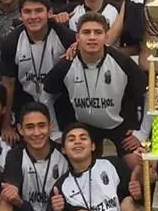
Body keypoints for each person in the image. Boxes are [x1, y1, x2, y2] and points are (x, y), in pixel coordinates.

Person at [45, 12, 145, 172]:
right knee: (76, 165)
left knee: (138, 165)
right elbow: (46, 96)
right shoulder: (66, 64)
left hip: (119, 124)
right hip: (83, 126)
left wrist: (142, 133)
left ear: (106, 37)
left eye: (98, 32)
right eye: (86, 32)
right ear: (77, 37)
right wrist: (55, 131)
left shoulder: (122, 62)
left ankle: (131, 197)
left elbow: (151, 95)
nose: (92, 37)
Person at [0, 0, 77, 142]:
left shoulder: (65, 36)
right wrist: (6, 124)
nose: (33, 17)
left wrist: (79, 45)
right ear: (20, 15)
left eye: (38, 11)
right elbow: (8, 84)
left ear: (49, 13)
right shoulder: (11, 42)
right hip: (27, 101)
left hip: (61, 103)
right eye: (27, 12)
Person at [0, 103, 69, 211]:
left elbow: (65, 210)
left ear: (50, 126)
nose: (37, 133)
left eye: (42, 126)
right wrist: (17, 201)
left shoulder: (64, 154)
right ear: (20, 129)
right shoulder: (15, 155)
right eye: (30, 127)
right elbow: (12, 196)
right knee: (2, 205)